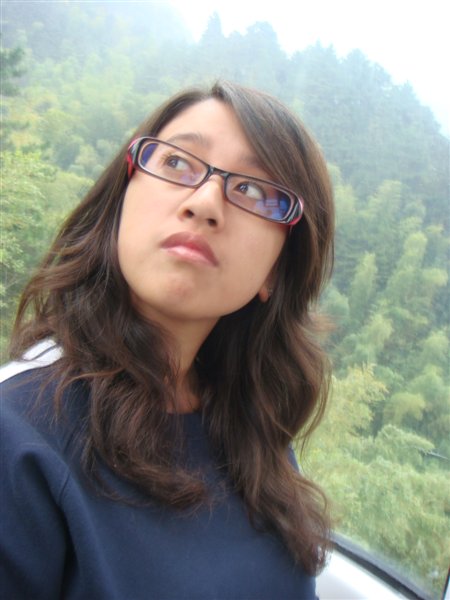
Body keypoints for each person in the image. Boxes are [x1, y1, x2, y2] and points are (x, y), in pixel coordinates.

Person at [0, 80, 335, 599]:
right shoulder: (19, 432)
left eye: (253, 190)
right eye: (177, 162)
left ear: (276, 270)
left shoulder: (253, 429)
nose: (205, 203)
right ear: (122, 199)